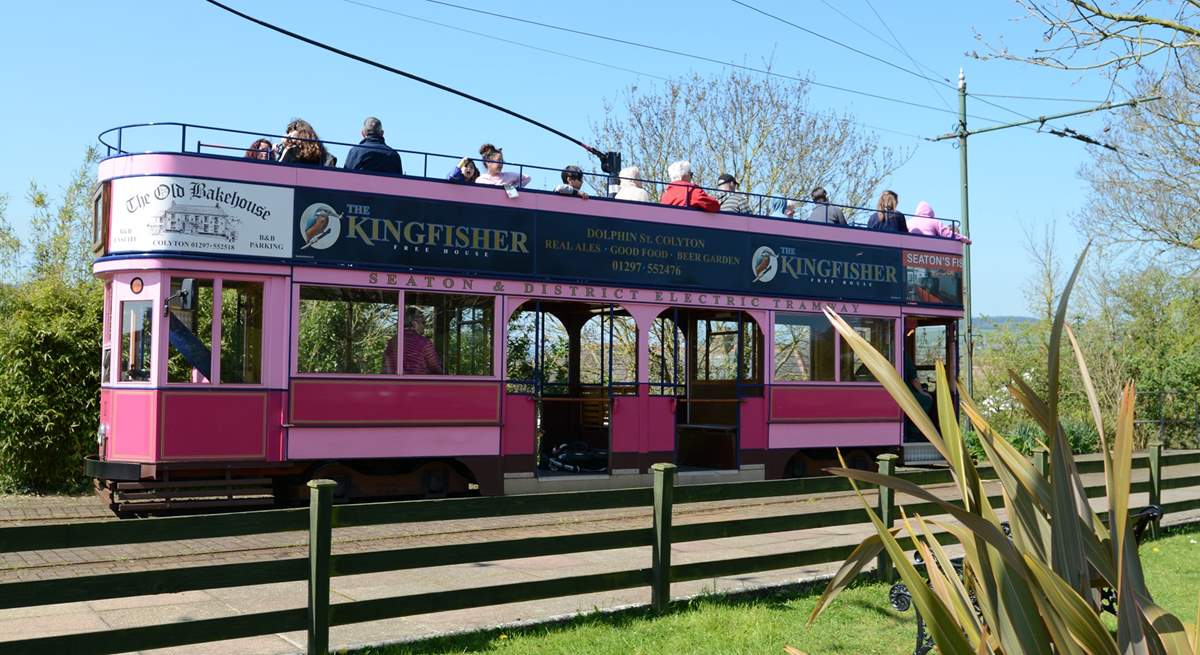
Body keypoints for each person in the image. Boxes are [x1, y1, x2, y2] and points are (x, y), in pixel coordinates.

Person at [384, 309, 444, 375]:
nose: (425, 326)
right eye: (423, 322)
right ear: (414, 323)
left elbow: (386, 367)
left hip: (394, 383)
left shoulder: (392, 342)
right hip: (418, 383)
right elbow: (436, 368)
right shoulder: (424, 342)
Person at [907, 201, 972, 243]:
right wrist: (964, 238)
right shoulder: (934, 222)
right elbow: (948, 234)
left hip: (909, 252)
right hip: (931, 250)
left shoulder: (909, 222)